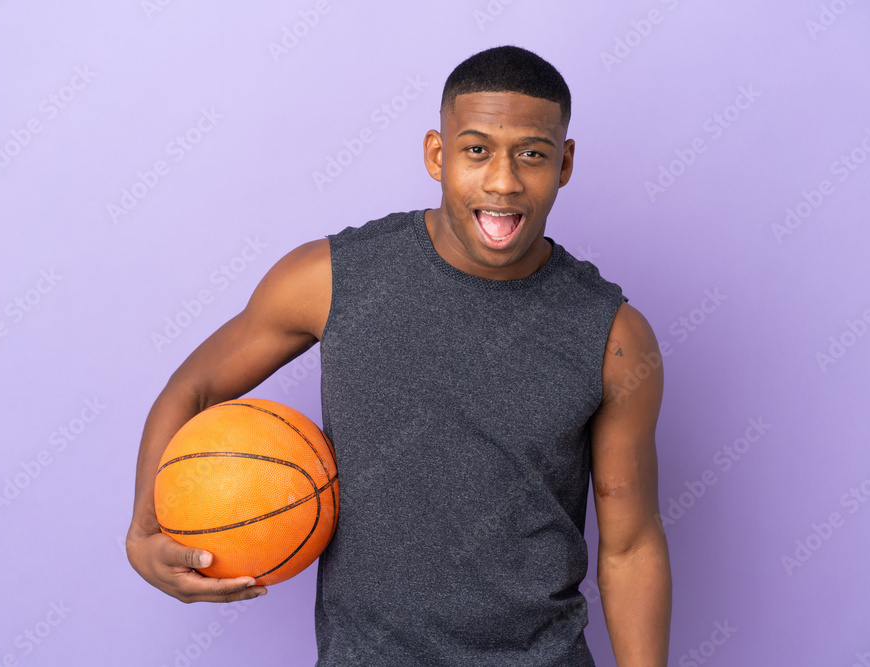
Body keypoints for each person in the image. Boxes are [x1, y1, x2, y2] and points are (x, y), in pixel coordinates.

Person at [127, 45, 671, 666]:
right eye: (476, 150)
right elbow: (194, 390)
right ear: (437, 156)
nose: (503, 180)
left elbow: (630, 548)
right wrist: (144, 534)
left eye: (532, 154)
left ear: (565, 163)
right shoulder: (330, 279)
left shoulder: (613, 336)